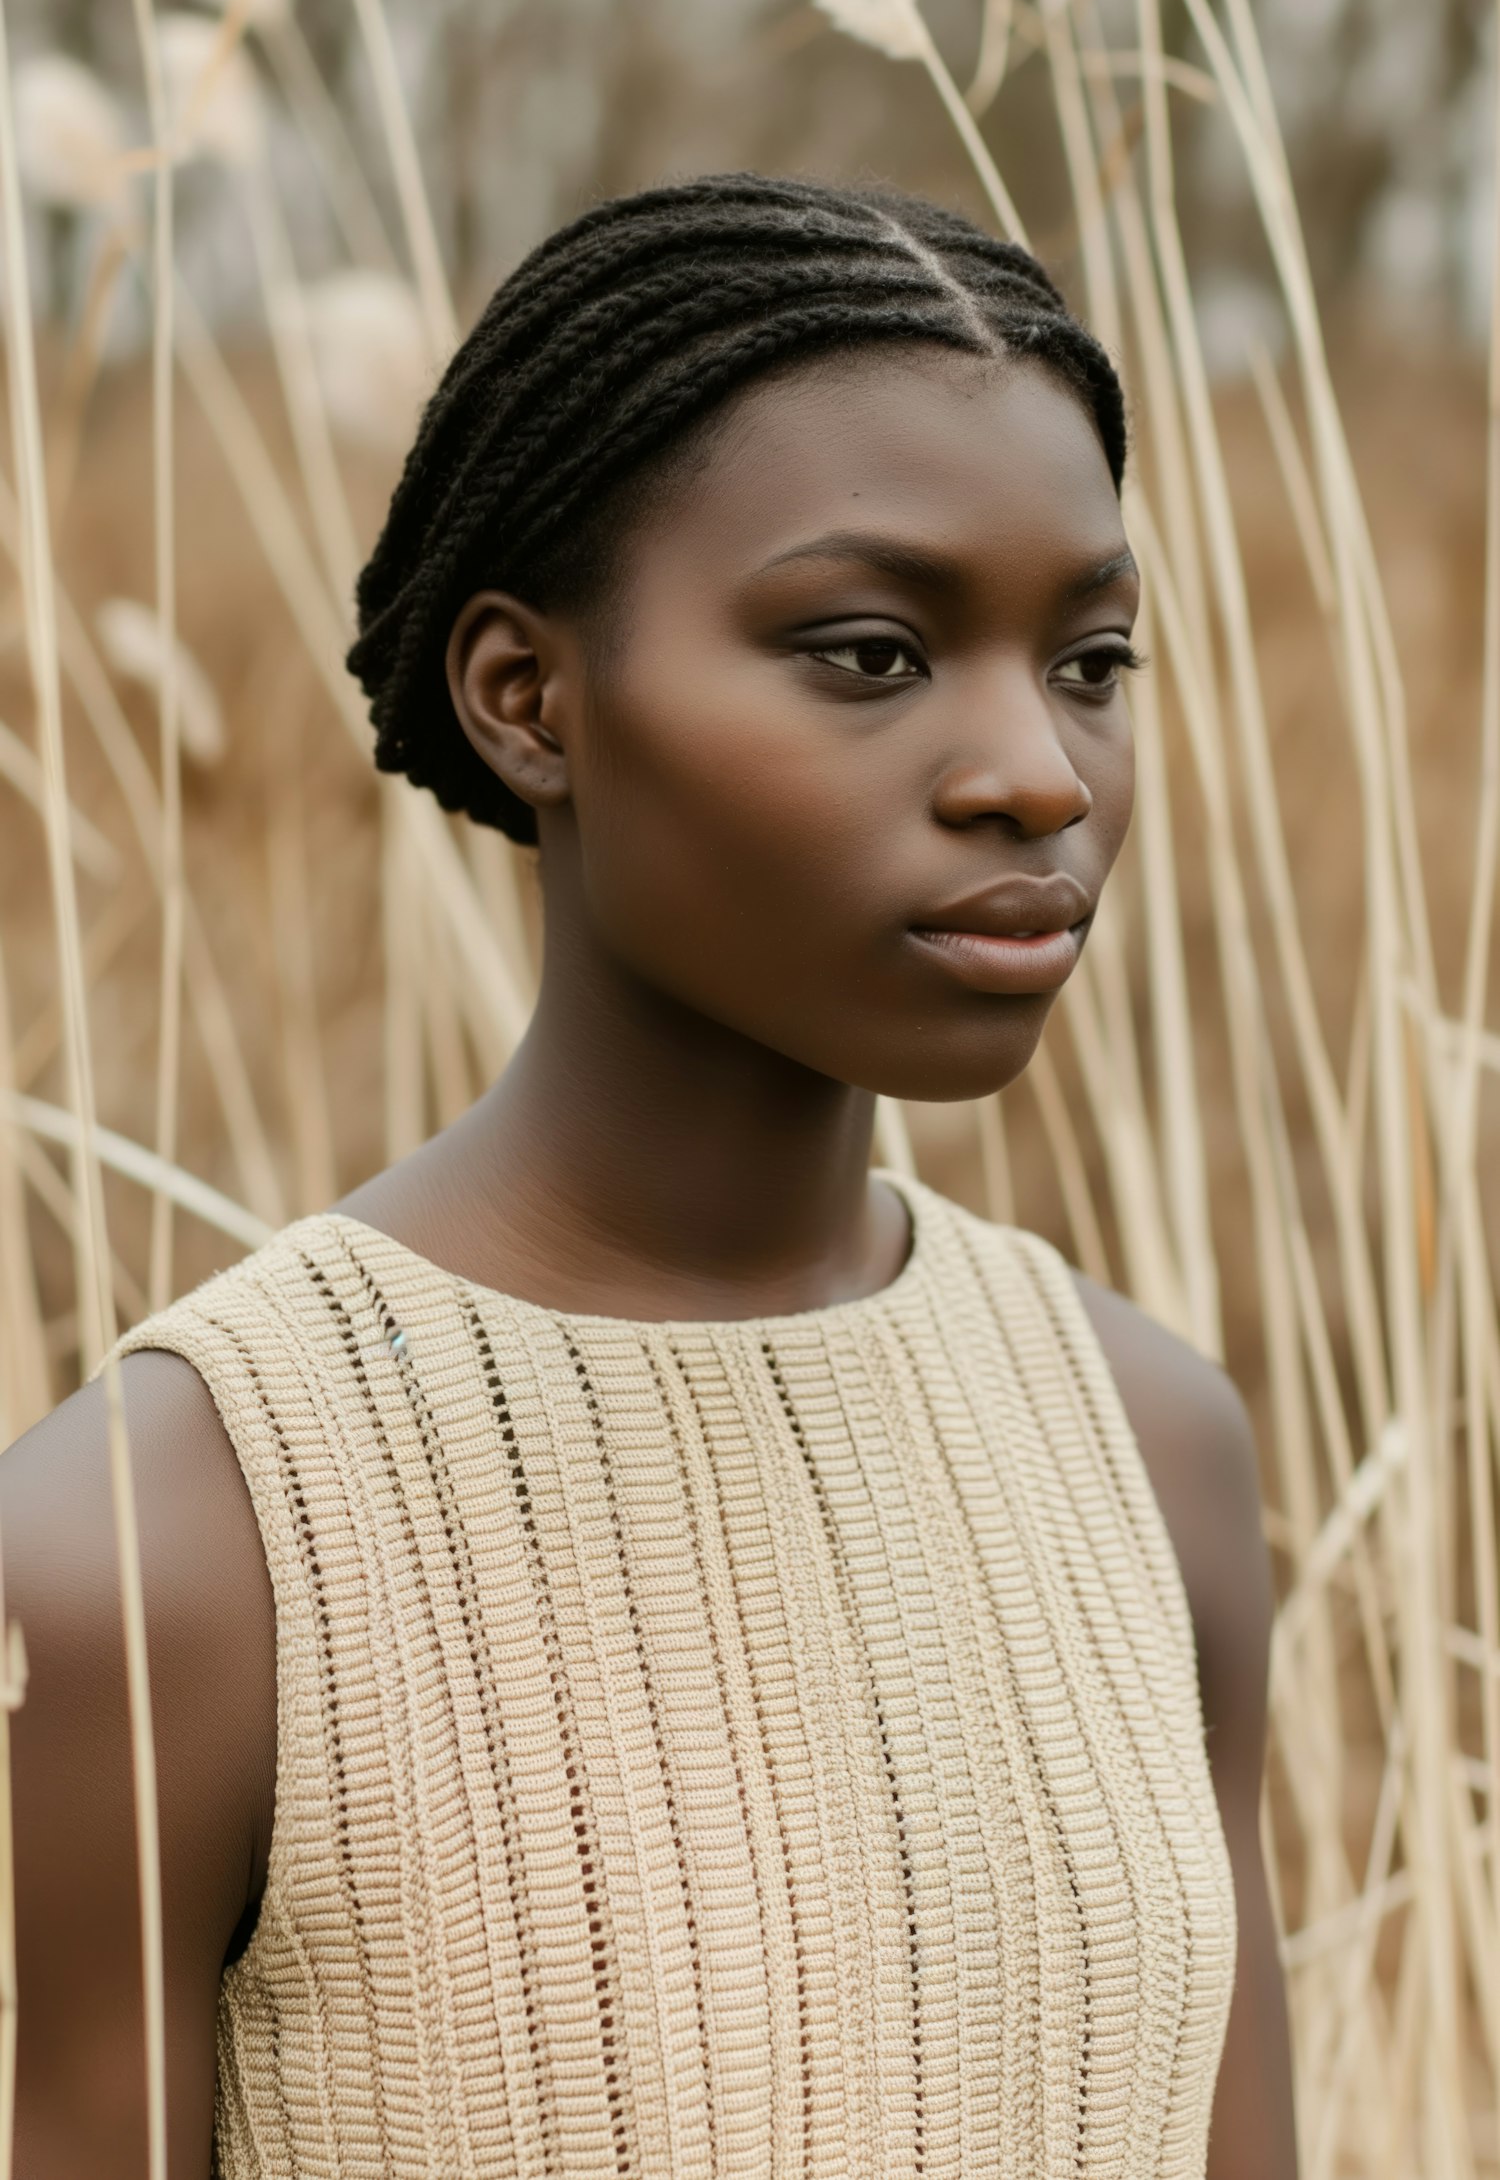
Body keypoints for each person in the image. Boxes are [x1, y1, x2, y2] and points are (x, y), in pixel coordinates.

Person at [2, 173, 1297, 2179]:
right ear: (530, 700)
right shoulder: (172, 1545)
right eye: (870, 654)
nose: (1037, 771)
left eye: (1093, 661)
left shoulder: (1150, 1460)